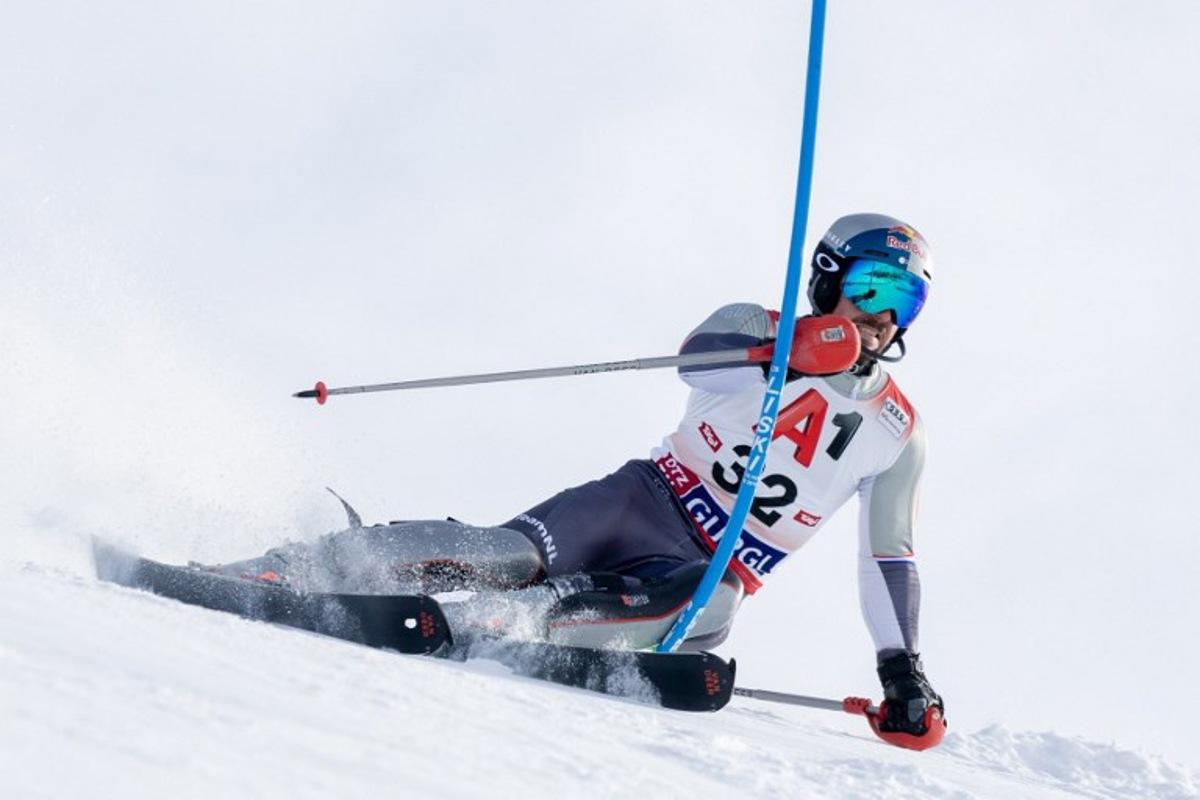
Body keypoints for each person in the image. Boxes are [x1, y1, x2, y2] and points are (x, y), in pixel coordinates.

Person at [212, 212, 944, 736]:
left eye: (904, 301)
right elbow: (696, 358)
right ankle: (297, 566)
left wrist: (900, 670)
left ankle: (498, 626)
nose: (884, 318)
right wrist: (791, 351)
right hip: (638, 501)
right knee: (506, 556)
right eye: (873, 287)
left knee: (709, 604)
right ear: (827, 277)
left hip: (709, 567)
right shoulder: (761, 326)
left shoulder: (896, 432)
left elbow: (888, 557)